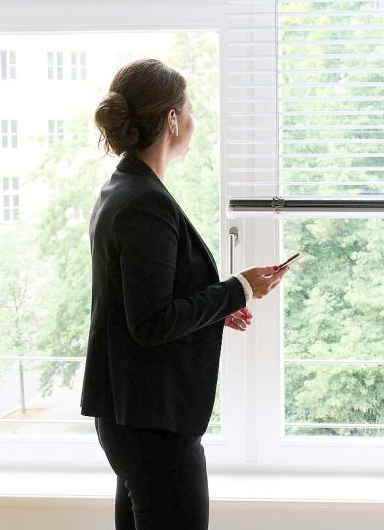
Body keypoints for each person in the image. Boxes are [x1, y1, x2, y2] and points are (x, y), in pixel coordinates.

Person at [82, 58, 287, 530]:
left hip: (133, 416)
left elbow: (138, 302)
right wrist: (239, 289)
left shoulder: (124, 188)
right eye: (190, 108)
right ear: (172, 120)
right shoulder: (143, 202)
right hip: (152, 422)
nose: (195, 119)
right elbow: (150, 323)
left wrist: (216, 309)